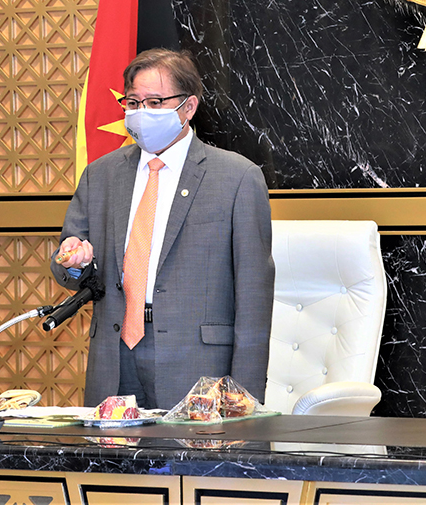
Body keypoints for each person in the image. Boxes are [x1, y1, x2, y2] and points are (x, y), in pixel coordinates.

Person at [51, 49, 275, 409]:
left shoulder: (237, 177)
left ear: (188, 107)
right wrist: (74, 260)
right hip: (114, 356)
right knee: (112, 448)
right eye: (133, 103)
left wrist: (244, 394)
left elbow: (254, 296)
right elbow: (68, 266)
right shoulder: (101, 174)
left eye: (155, 102)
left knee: (187, 449)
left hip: (198, 364)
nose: (141, 113)